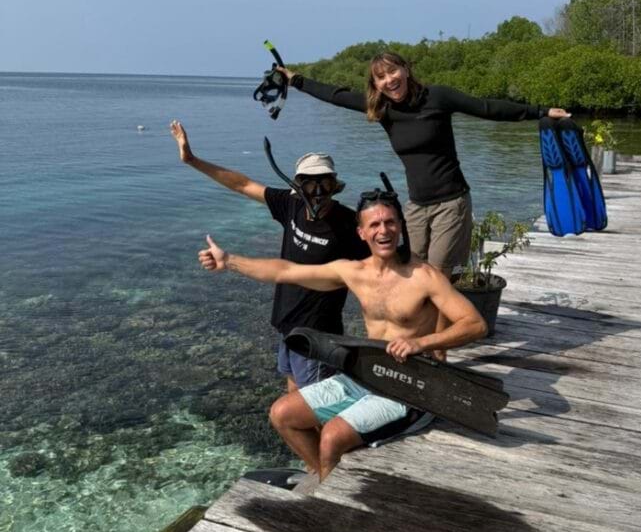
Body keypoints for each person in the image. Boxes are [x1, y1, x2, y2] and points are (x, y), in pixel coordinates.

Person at [198, 191, 487, 485]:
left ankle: (330, 490)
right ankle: (329, 482)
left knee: (332, 437)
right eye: (374, 225)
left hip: (410, 385)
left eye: (390, 222)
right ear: (361, 233)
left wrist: (421, 343)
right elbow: (286, 270)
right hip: (368, 373)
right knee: (282, 414)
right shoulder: (354, 272)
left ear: (400, 225)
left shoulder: (424, 276)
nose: (383, 231)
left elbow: (475, 324)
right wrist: (229, 260)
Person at [278, 52, 570, 276]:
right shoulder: (382, 109)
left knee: (438, 275)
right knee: (411, 271)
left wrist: (541, 111)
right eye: (381, 77)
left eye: (393, 71)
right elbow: (336, 96)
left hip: (451, 202)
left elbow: (486, 108)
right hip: (416, 206)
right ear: (375, 84)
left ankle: (441, 336)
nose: (389, 80)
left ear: (406, 70)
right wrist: (296, 80)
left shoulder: (437, 97)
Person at [170, 120, 368, 391]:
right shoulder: (291, 205)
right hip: (287, 325)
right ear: (298, 187)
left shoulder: (349, 225)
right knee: (292, 394)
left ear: (334, 186)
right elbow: (242, 184)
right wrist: (192, 160)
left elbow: (382, 265)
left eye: (325, 184)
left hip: (319, 336)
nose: (318, 193)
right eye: (310, 185)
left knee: (314, 406)